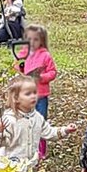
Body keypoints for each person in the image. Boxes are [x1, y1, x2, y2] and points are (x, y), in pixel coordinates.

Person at [0, 75, 77, 172]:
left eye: (34, 92)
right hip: (11, 167)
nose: (33, 96)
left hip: (28, 165)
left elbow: (49, 133)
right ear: (16, 98)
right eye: (28, 94)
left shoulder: (36, 117)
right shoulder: (10, 119)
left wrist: (65, 130)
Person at [18, 24, 57, 162]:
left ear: (41, 40)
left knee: (40, 122)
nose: (32, 42)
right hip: (26, 95)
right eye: (29, 39)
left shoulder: (45, 55)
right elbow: (18, 66)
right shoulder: (24, 53)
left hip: (41, 95)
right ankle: (26, 148)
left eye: (35, 39)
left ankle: (41, 151)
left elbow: (53, 72)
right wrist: (20, 68)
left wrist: (42, 77)